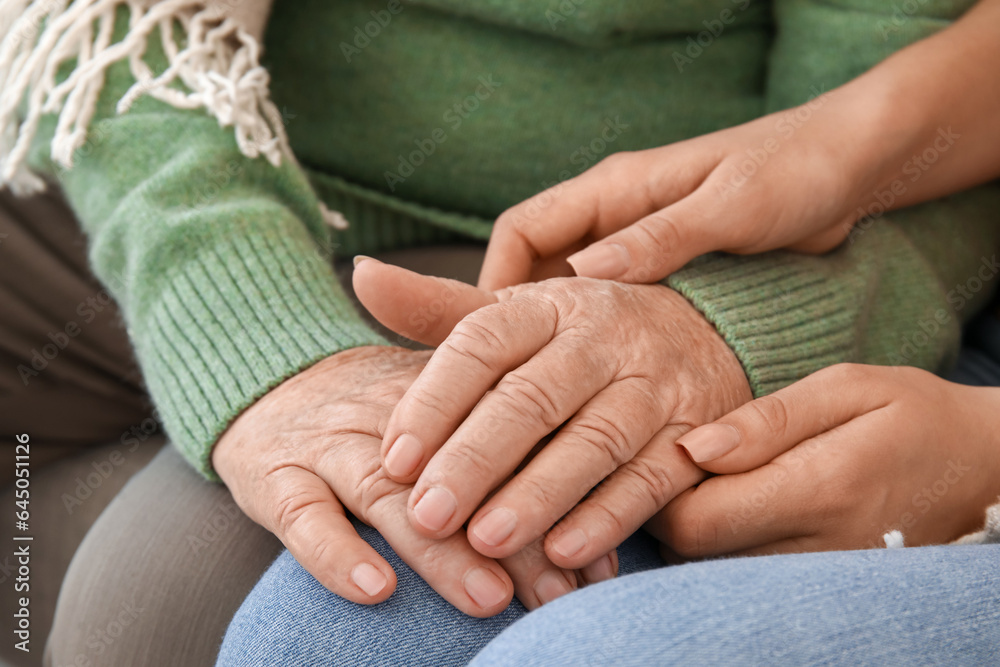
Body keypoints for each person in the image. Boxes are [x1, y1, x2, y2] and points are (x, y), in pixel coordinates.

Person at [0, 1, 994, 666]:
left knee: (164, 606)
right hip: (178, 147)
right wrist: (253, 329)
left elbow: (914, 179)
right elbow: (125, 42)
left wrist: (718, 327)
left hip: (527, 257)